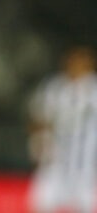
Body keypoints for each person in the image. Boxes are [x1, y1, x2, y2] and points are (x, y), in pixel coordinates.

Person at [27, 45, 97, 213]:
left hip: (86, 170)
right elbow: (38, 119)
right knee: (39, 205)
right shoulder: (54, 88)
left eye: (81, 61)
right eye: (73, 61)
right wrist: (37, 146)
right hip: (54, 166)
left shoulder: (94, 90)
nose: (76, 65)